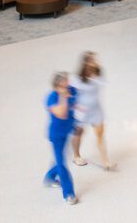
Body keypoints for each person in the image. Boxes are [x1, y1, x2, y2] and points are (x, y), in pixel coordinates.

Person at [71, 51, 114, 171]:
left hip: (96, 109)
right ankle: (76, 156)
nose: (95, 62)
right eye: (92, 60)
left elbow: (104, 82)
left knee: (100, 133)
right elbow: (71, 93)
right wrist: (74, 108)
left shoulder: (99, 73)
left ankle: (105, 161)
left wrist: (95, 76)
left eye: (95, 60)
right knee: (78, 133)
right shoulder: (76, 78)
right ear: (85, 63)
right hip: (82, 110)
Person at [43, 72, 79, 205]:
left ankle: (50, 177)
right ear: (57, 87)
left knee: (60, 160)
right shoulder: (51, 98)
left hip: (68, 130)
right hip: (56, 135)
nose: (67, 86)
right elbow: (62, 114)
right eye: (64, 84)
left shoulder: (71, 89)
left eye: (67, 82)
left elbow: (76, 102)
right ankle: (68, 193)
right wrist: (64, 97)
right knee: (62, 163)